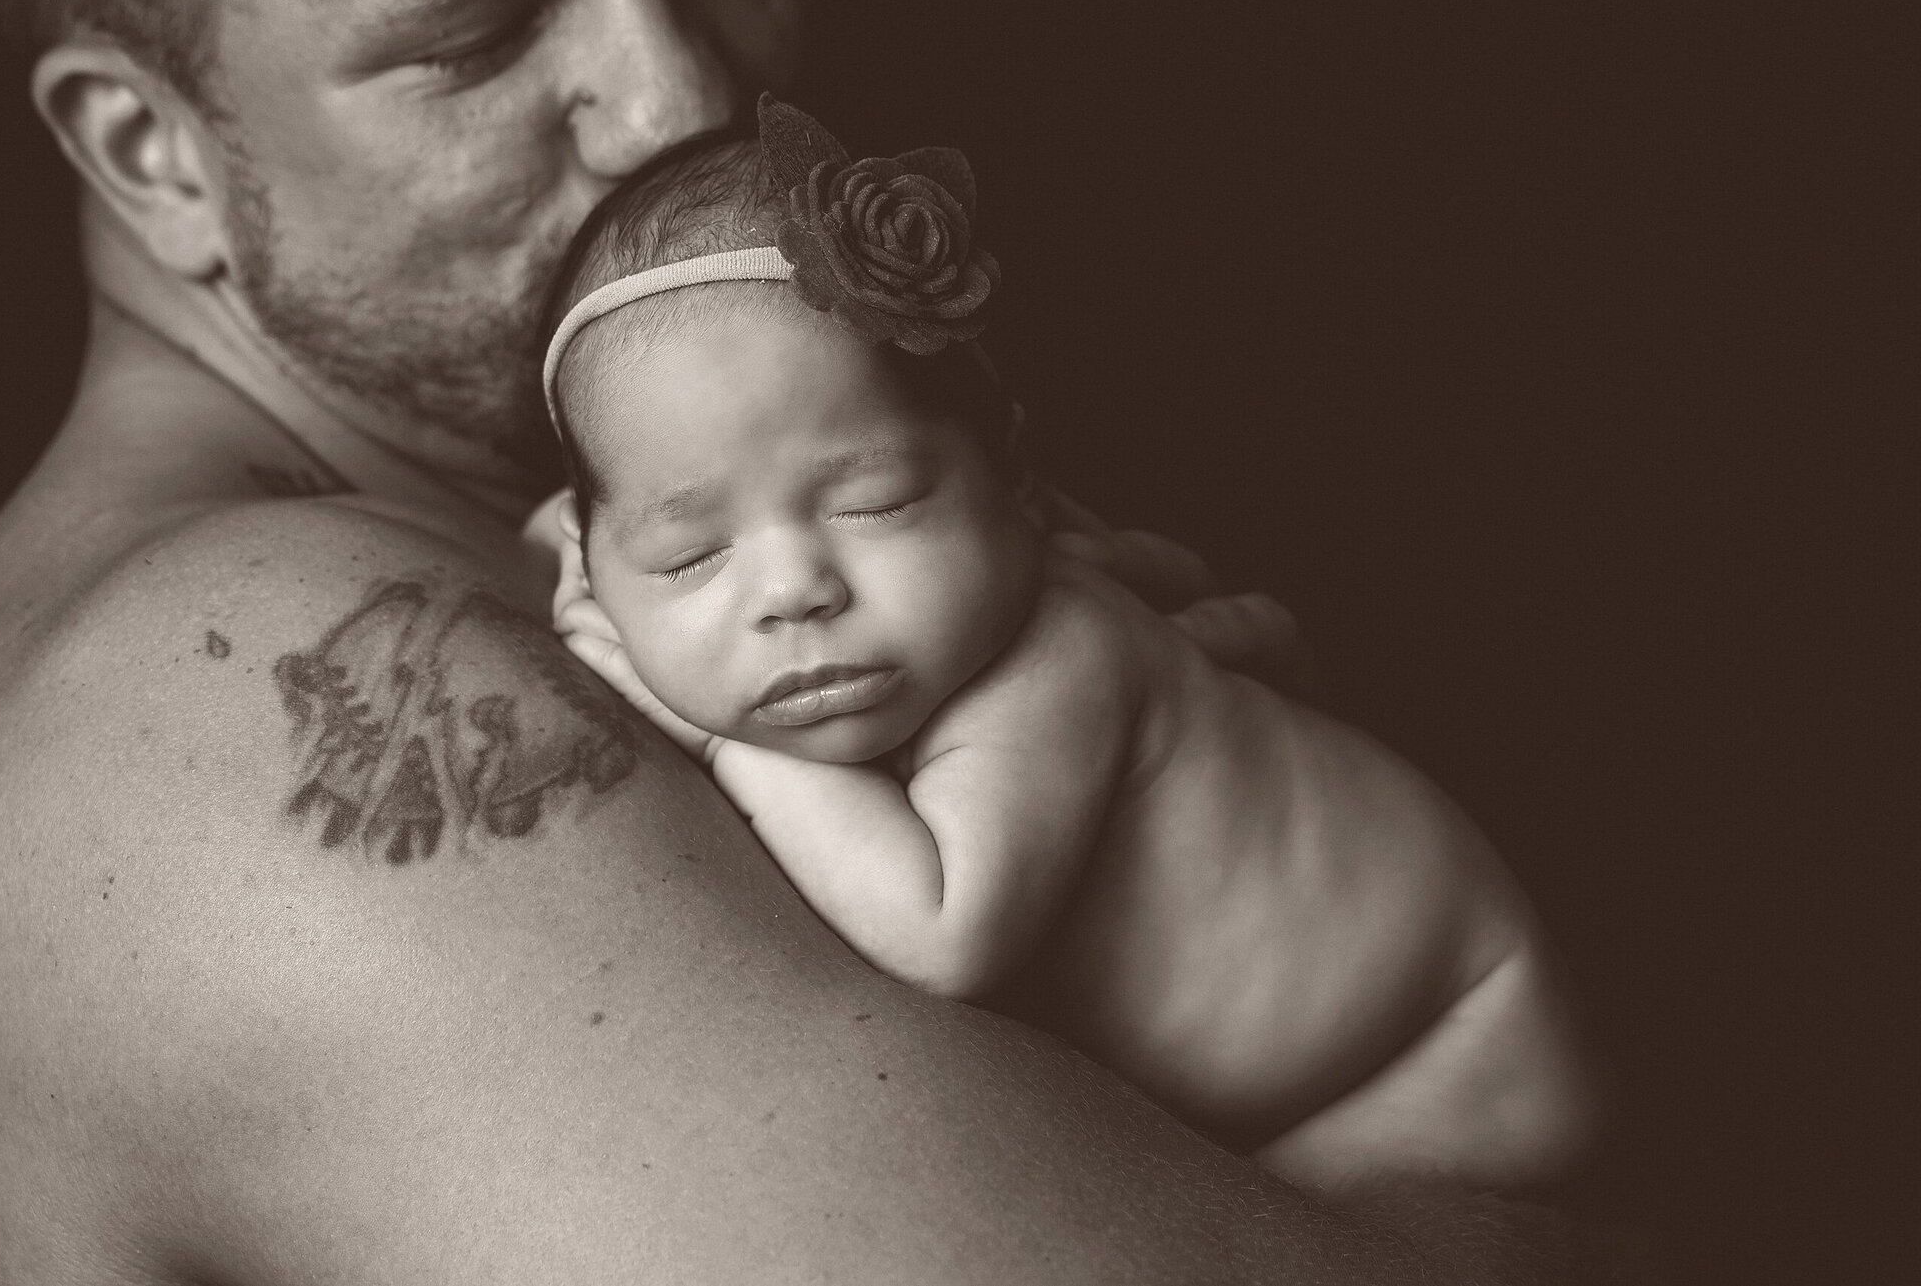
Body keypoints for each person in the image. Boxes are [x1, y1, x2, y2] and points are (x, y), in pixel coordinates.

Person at [0, 0, 1609, 1278]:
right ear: (146, 149)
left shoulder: (563, 532)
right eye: (474, 35)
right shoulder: (255, 685)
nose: (684, 100)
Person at [540, 101, 1593, 1192]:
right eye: (688, 555)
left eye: (875, 501)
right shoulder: (641, 556)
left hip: (1443, 1040)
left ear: (1011, 477)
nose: (794, 588)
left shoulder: (1054, 659)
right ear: (593, 558)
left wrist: (730, 748)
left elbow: (943, 929)